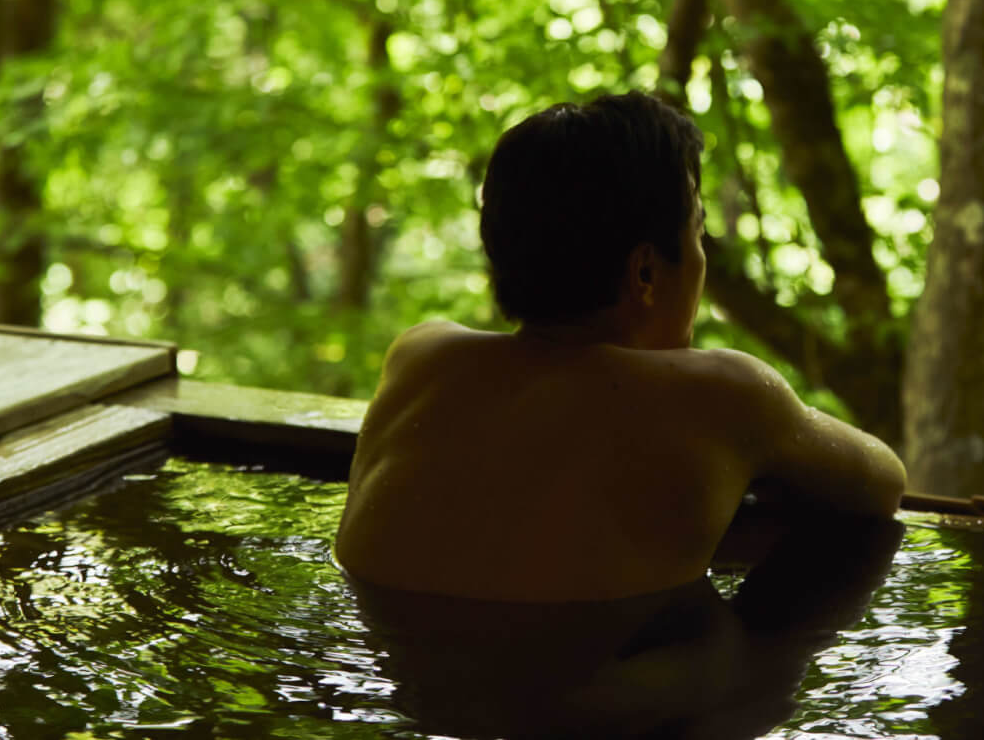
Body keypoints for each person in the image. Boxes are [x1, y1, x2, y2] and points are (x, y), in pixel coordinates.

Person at [335, 91, 907, 603]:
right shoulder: (722, 397)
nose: (704, 258)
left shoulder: (418, 357)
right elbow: (882, 484)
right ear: (646, 274)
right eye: (698, 232)